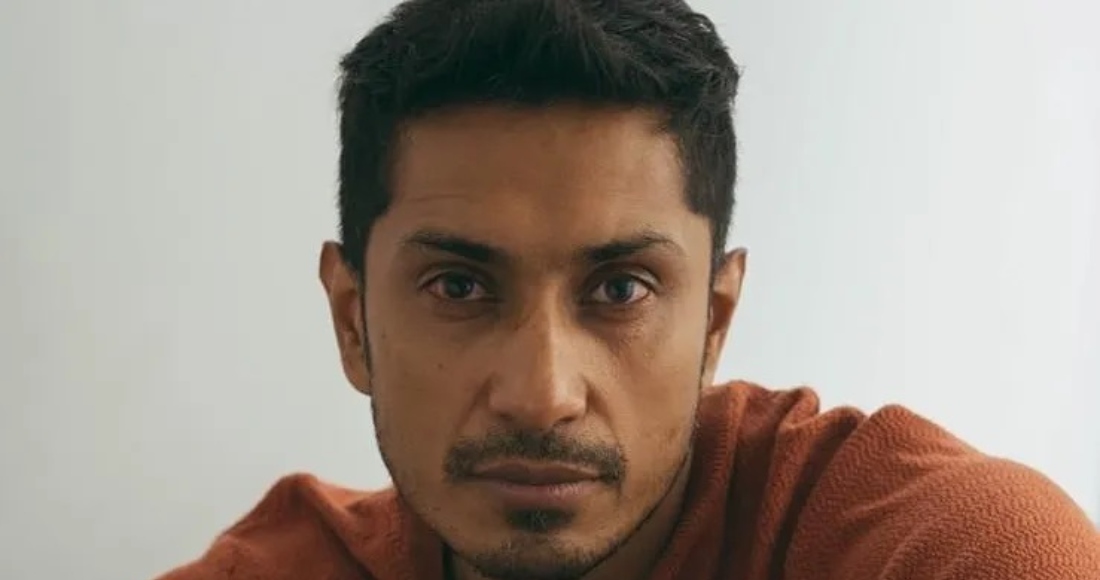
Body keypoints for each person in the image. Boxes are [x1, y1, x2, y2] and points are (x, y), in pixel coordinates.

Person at [156, 0, 1100, 579]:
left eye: (620, 291)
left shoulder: (937, 549)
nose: (542, 396)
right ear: (352, 322)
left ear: (714, 323)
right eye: (459, 285)